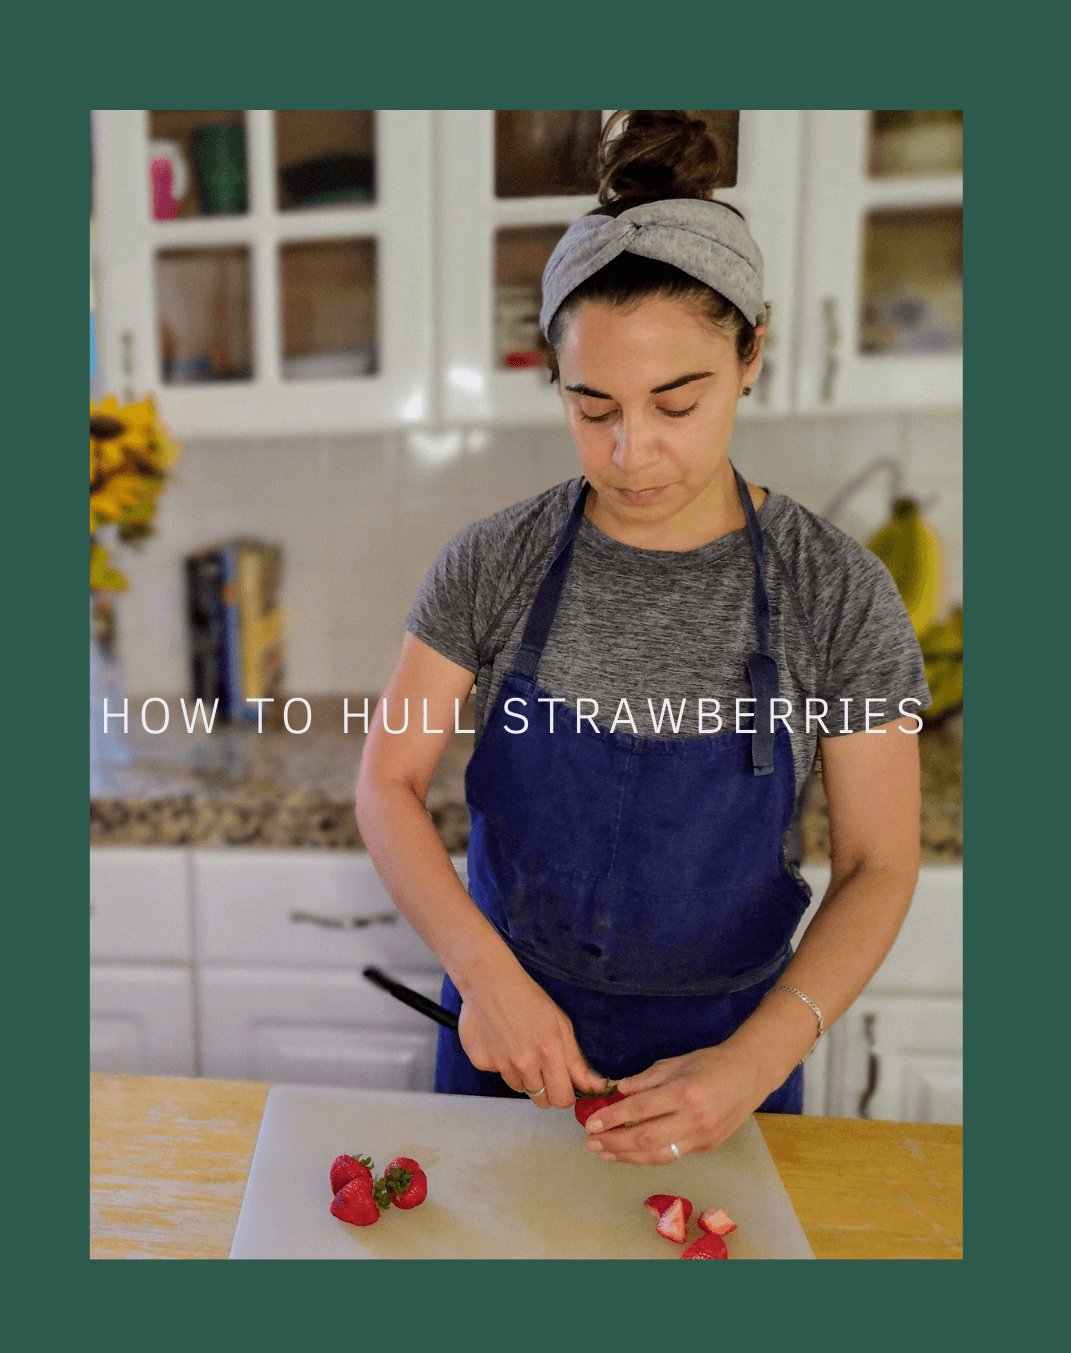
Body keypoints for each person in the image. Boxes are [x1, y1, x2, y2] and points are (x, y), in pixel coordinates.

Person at [355, 110, 930, 1166]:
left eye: (677, 401)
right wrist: (485, 976)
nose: (633, 453)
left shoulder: (837, 590)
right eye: (592, 406)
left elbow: (882, 863)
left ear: (752, 353)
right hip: (509, 1050)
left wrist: (755, 1061)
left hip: (731, 1066)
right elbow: (385, 783)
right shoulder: (492, 563)